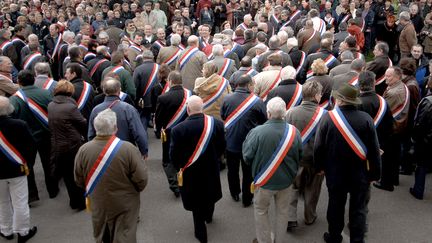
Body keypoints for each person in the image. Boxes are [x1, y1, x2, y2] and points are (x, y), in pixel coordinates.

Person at [314, 83, 381, 243]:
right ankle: (357, 239)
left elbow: (318, 147)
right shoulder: (366, 119)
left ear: (340, 100)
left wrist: (319, 167)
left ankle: (334, 237)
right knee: (358, 210)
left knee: (335, 206)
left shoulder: (328, 117)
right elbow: (374, 149)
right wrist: (375, 174)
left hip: (335, 173)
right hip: (360, 174)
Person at [74, 109, 148, 243]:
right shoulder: (128, 149)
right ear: (115, 128)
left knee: (102, 234)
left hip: (98, 200)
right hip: (125, 201)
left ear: (95, 128)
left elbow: (78, 179)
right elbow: (141, 179)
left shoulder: (84, 150)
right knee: (125, 234)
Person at [243, 96, 302, 243]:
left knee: (261, 211)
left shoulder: (257, 132)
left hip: (264, 182)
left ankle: (265, 240)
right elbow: (299, 155)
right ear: (284, 113)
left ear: (268, 113)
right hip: (286, 181)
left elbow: (246, 156)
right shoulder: (294, 132)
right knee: (282, 213)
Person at [170, 95, 225, 243]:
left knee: (196, 201)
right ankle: (209, 215)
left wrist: (179, 167)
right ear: (203, 108)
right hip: (211, 168)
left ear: (187, 110)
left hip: (190, 171)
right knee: (210, 193)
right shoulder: (217, 124)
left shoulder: (178, 129)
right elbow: (221, 147)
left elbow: (173, 154)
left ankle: (201, 233)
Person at [220, 74, 266, 206]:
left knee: (232, 170)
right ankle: (247, 198)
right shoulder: (257, 101)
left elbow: (223, 116)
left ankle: (234, 193)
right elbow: (263, 121)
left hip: (231, 141)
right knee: (248, 172)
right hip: (250, 143)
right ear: (249, 85)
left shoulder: (227, 98)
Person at [285, 80, 326, 230]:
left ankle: (290, 218)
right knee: (312, 190)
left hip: (295, 160)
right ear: (316, 96)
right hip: (315, 161)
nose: (321, 96)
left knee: (292, 189)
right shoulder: (326, 115)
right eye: (320, 94)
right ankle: (310, 216)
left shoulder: (290, 113)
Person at [9, 70, 55, 203]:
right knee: (48, 164)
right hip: (46, 134)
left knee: (28, 166)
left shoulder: (14, 99)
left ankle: (32, 194)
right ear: (34, 79)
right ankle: (52, 190)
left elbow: (12, 118)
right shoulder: (46, 93)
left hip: (26, 138)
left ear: (19, 82)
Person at [0, 96, 38, 242]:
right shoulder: (19, 124)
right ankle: (23, 232)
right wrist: (27, 163)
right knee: (20, 201)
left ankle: (6, 230)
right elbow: (31, 146)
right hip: (18, 169)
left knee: (2, 202)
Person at [48, 80, 87, 210]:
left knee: (67, 176)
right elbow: (81, 122)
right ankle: (80, 202)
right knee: (76, 173)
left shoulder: (51, 105)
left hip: (57, 144)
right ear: (70, 91)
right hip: (72, 145)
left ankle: (73, 201)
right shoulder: (70, 107)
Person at [88, 78, 148, 158]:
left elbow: (91, 134)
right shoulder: (128, 109)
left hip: (102, 154)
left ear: (104, 90)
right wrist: (144, 151)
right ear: (119, 91)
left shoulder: (96, 110)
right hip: (125, 152)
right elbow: (139, 133)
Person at [155, 71, 192, 197]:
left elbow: (158, 118)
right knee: (186, 155)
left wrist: (158, 129)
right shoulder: (190, 94)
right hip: (187, 131)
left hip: (170, 132)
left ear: (170, 81)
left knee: (169, 159)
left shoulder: (163, 98)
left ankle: (174, 184)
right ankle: (186, 181)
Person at [374, 67, 410, 191]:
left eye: (388, 76)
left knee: (388, 157)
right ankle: (393, 179)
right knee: (394, 156)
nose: (385, 78)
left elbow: (383, 109)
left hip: (391, 129)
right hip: (397, 128)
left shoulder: (394, 92)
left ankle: (386, 183)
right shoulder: (400, 86)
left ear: (397, 77)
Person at [410, 78, 432, 200]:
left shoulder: (428, 102)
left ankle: (418, 190)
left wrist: (415, 138)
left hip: (426, 140)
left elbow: (420, 123)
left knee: (422, 165)